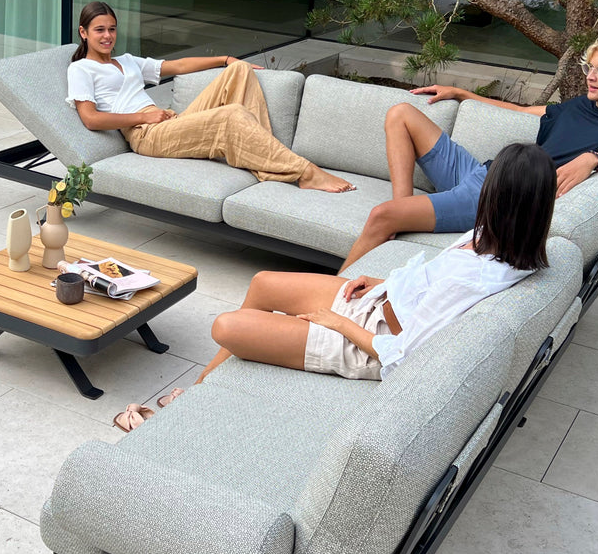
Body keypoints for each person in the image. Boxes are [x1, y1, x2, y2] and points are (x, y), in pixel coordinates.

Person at [193, 142, 556, 387]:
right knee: (262, 283)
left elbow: (403, 357)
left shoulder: (477, 277)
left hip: (371, 346)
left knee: (226, 326)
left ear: (496, 198)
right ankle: (197, 389)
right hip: (378, 303)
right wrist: (382, 282)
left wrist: (338, 324)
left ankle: (192, 395)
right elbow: (432, 287)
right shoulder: (489, 238)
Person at [339, 29, 598, 271]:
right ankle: (404, 208)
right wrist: (462, 93)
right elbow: (518, 111)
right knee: (401, 113)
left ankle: (334, 294)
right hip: (483, 173)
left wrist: (594, 159)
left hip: (498, 197)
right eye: (590, 66)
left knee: (381, 216)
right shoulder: (577, 107)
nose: (590, 75)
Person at [66, 1, 354, 193]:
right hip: (146, 134)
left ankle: (264, 155)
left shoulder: (127, 60)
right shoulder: (81, 68)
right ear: (84, 33)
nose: (107, 36)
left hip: (168, 122)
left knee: (239, 69)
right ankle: (304, 172)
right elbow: (90, 118)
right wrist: (145, 116)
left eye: (112, 29)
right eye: (99, 30)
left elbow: (176, 66)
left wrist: (225, 58)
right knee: (232, 114)